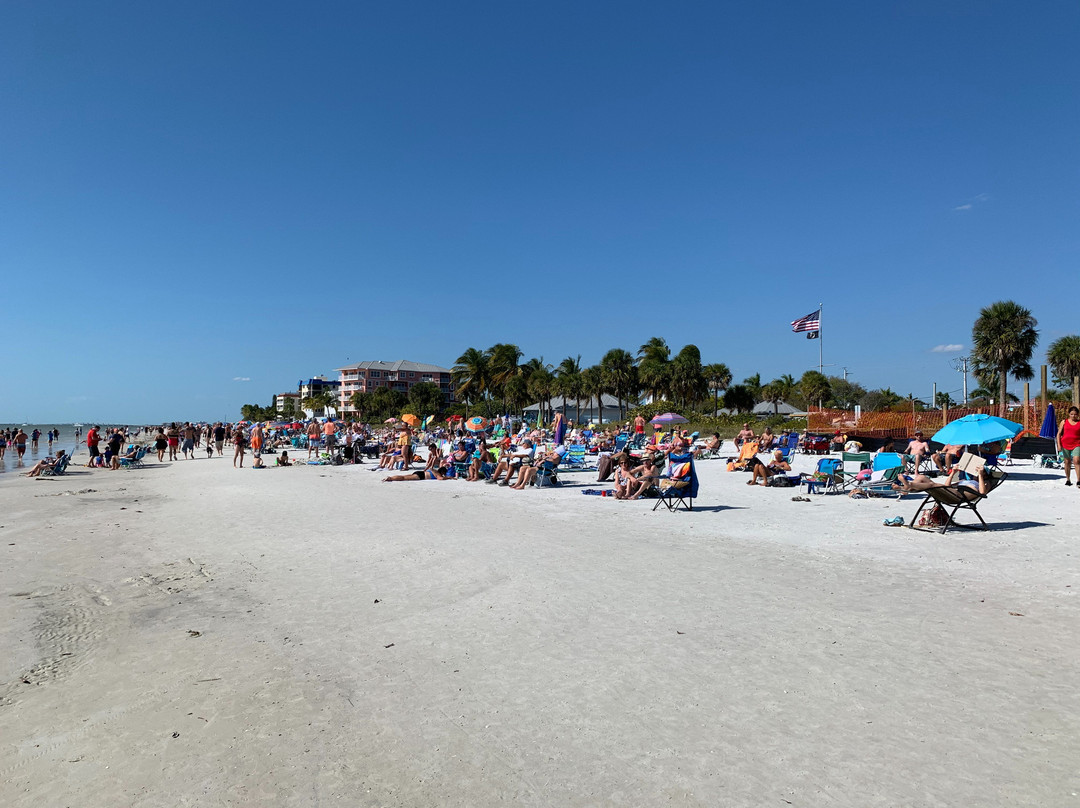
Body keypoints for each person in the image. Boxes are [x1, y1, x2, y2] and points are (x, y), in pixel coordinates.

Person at [894, 466, 990, 495]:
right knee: (921, 477)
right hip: (952, 491)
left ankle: (908, 485)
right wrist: (953, 473)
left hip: (960, 495)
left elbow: (982, 492)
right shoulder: (965, 480)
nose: (976, 473)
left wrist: (981, 476)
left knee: (932, 485)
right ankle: (906, 487)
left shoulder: (986, 482)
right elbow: (947, 485)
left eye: (981, 472)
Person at [1057, 405, 1080, 486]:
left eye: (1075, 414)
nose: (1073, 416)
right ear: (1069, 414)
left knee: (1076, 460)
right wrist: (1059, 445)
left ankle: (1079, 480)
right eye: (1071, 414)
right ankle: (1068, 479)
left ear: (1078, 415)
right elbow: (1059, 434)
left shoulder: (1079, 423)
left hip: (1077, 444)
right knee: (1067, 462)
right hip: (1065, 444)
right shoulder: (1064, 422)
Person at [383, 466, 449, 482]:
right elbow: (440, 479)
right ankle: (390, 478)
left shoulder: (434, 469)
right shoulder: (438, 474)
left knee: (403, 476)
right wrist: (450, 477)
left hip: (420, 472)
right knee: (404, 478)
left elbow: (429, 467)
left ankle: (391, 477)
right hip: (421, 476)